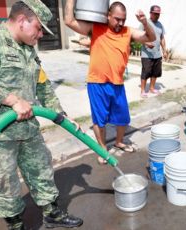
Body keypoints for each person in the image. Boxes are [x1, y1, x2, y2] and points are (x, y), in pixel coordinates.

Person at [0, 1, 83, 229]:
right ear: (23, 21)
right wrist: (11, 99)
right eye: (39, 28)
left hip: (26, 128)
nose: (41, 35)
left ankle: (52, 214)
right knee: (5, 186)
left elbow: (43, 86)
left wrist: (61, 115)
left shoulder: (28, 50)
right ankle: (16, 225)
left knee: (42, 170)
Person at [64, 1, 155, 164]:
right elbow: (69, 21)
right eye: (117, 19)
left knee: (123, 117)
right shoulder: (96, 28)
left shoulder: (128, 31)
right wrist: (70, 1)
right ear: (108, 16)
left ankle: (119, 142)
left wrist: (144, 22)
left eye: (123, 19)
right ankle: (102, 149)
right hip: (97, 83)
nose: (120, 23)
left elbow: (151, 37)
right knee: (100, 120)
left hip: (117, 83)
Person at [140, 5, 167, 97]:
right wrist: (147, 43)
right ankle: (143, 90)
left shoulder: (160, 25)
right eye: (155, 14)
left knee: (155, 72)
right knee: (146, 72)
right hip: (146, 54)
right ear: (150, 13)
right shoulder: (145, 23)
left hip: (157, 54)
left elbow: (162, 38)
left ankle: (152, 88)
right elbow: (139, 36)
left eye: (158, 14)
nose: (157, 15)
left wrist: (164, 50)